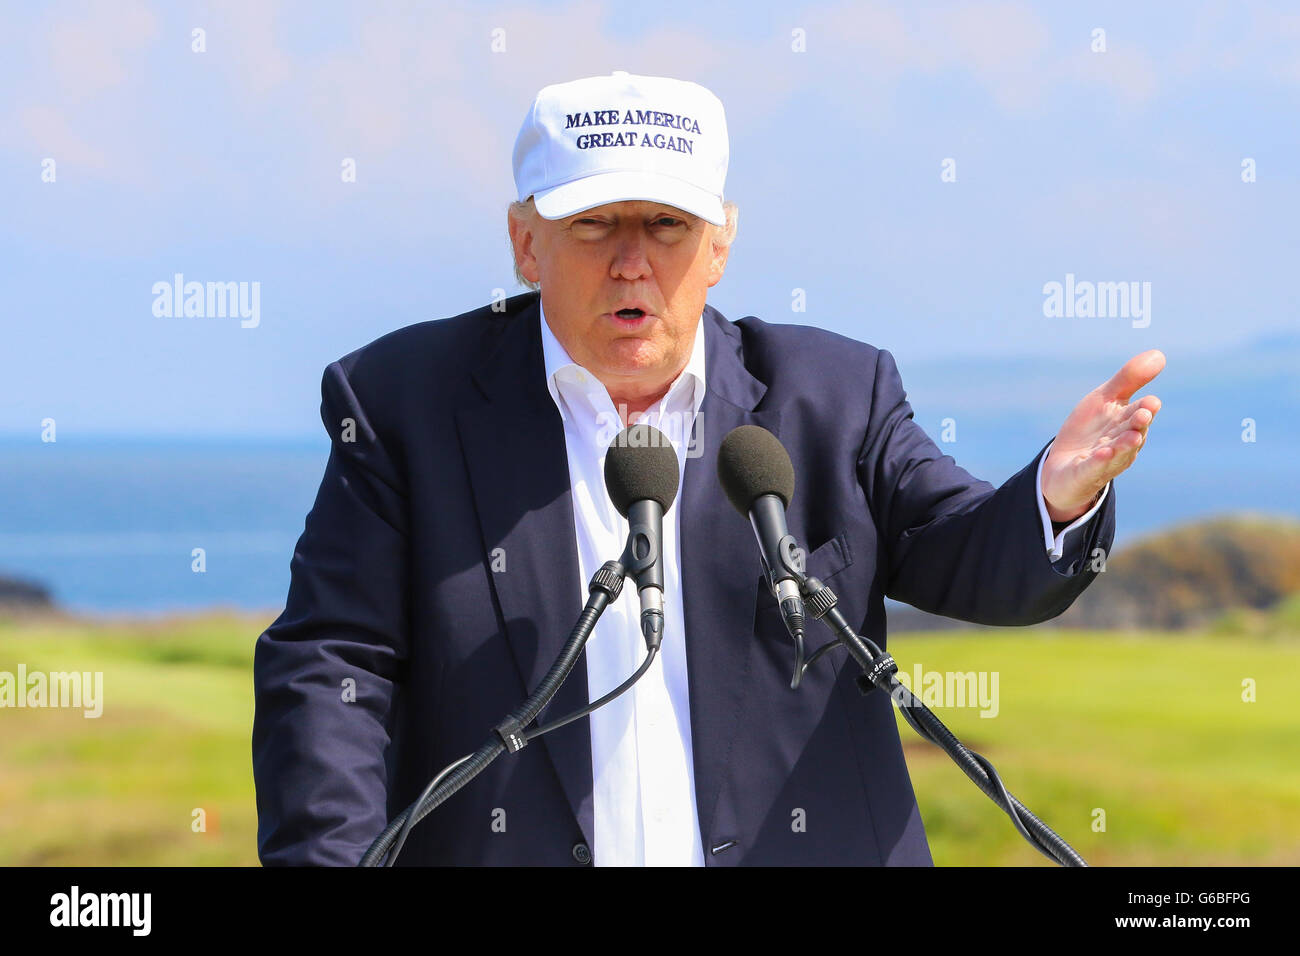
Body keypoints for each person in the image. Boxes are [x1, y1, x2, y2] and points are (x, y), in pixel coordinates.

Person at [252, 71, 1163, 866]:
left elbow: (963, 552)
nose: (632, 262)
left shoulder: (831, 396)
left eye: (667, 225)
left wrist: (1056, 495)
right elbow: (330, 666)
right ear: (526, 243)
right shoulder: (405, 405)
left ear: (720, 245)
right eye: (594, 224)